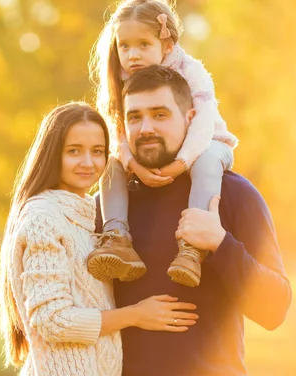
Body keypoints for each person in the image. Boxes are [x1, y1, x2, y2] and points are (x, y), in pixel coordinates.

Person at [96, 66, 292, 376]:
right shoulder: (110, 205)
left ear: (190, 118)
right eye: (135, 117)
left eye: (160, 114)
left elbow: (274, 309)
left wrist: (219, 242)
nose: (146, 128)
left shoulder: (232, 194)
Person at [0, 102, 199, 376]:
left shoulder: (87, 213)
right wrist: (136, 315)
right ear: (52, 154)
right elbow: (53, 319)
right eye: (74, 150)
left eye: (98, 151)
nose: (88, 162)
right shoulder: (43, 217)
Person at [88, 0, 239, 287]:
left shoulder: (191, 70)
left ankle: (192, 248)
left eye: (143, 45)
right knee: (111, 164)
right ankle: (117, 237)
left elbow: (203, 122)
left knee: (206, 162)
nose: (132, 55)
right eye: (125, 46)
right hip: (149, 153)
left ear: (166, 45)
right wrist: (132, 164)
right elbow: (118, 129)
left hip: (207, 142)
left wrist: (181, 163)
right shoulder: (122, 79)